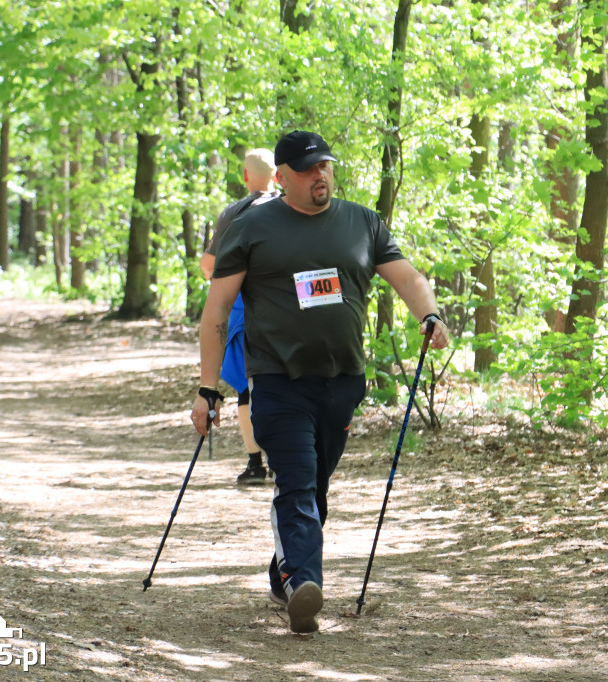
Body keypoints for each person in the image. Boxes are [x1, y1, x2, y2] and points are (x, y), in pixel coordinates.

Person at [190, 130, 450, 634]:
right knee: (298, 482)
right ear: (282, 177)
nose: (320, 175)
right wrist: (208, 387)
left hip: (342, 384)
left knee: (316, 487)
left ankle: (282, 569)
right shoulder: (252, 227)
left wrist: (430, 314)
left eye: (325, 166)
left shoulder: (361, 223)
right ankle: (304, 581)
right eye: (308, 169)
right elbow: (217, 309)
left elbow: (409, 278)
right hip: (277, 381)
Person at [200, 148, 281, 485]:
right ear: (278, 176)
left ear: (245, 177)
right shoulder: (291, 208)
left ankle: (255, 463)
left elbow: (209, 268)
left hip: (241, 308)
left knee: (247, 388)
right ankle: (283, 459)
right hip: (284, 308)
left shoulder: (234, 213)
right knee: (281, 384)